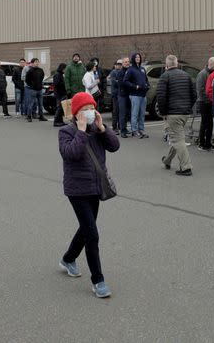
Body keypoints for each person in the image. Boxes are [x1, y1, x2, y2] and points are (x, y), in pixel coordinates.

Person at [57, 92, 120, 298]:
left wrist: (102, 128)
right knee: (92, 233)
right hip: (77, 190)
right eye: (84, 109)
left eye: (92, 108)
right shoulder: (66, 132)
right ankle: (98, 280)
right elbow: (71, 154)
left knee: (86, 228)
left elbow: (115, 146)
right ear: (76, 113)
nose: (89, 113)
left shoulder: (96, 129)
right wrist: (82, 131)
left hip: (95, 188)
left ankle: (68, 258)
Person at [157, 55, 198, 176]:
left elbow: (161, 96)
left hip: (173, 113)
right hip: (185, 113)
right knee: (176, 137)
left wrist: (163, 112)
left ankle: (186, 167)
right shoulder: (186, 75)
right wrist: (188, 106)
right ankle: (167, 160)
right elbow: (194, 94)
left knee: (178, 139)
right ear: (176, 64)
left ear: (167, 65)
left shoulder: (165, 76)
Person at [122, 52, 149, 138]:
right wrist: (135, 86)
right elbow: (125, 81)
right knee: (135, 113)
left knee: (142, 113)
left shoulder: (142, 69)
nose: (138, 58)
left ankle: (141, 129)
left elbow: (146, 79)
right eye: (136, 57)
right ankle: (134, 130)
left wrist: (147, 85)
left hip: (143, 95)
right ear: (133, 58)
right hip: (135, 95)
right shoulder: (130, 69)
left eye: (139, 57)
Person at [196, 57, 214, 151]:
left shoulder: (213, 74)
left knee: (210, 123)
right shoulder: (202, 74)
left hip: (211, 102)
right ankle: (201, 143)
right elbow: (200, 90)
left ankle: (208, 142)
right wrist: (208, 99)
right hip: (203, 102)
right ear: (211, 64)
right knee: (204, 122)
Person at [24, 58, 46, 122]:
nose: (37, 63)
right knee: (31, 103)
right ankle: (29, 116)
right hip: (33, 90)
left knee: (40, 104)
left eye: (38, 62)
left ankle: (41, 116)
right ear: (32, 63)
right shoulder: (30, 71)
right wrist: (31, 85)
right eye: (35, 62)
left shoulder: (41, 70)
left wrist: (40, 85)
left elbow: (42, 77)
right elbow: (27, 80)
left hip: (39, 89)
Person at [116, 57, 132, 138]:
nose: (127, 63)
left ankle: (125, 128)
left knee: (127, 113)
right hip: (122, 95)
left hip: (129, 95)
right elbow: (121, 84)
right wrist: (131, 85)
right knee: (122, 114)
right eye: (125, 62)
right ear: (122, 63)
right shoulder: (120, 72)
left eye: (128, 62)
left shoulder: (130, 71)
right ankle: (122, 131)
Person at [108, 60, 124, 133]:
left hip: (121, 94)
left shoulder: (122, 72)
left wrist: (120, 82)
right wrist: (121, 82)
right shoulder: (113, 72)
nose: (119, 65)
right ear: (115, 65)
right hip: (115, 94)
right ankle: (114, 128)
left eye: (120, 64)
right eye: (118, 64)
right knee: (115, 111)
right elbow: (115, 83)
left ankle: (120, 126)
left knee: (121, 111)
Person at [52, 62, 68, 127]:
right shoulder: (57, 74)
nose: (65, 70)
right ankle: (56, 121)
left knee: (61, 108)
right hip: (59, 93)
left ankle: (60, 121)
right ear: (62, 68)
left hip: (62, 93)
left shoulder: (61, 74)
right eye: (65, 68)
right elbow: (57, 84)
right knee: (59, 108)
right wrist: (64, 82)